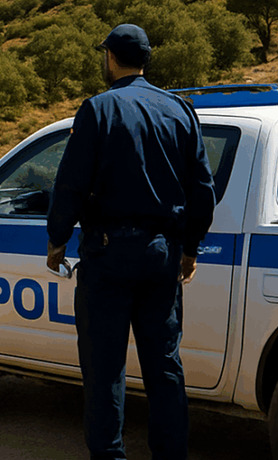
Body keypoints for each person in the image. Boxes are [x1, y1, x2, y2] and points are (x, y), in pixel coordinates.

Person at [45, 23, 216, 460]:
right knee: (164, 367)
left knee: (105, 370)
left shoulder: (97, 110)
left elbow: (70, 185)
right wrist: (191, 249)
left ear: (111, 58)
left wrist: (57, 240)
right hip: (163, 255)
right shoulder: (180, 110)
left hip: (108, 254)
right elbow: (202, 190)